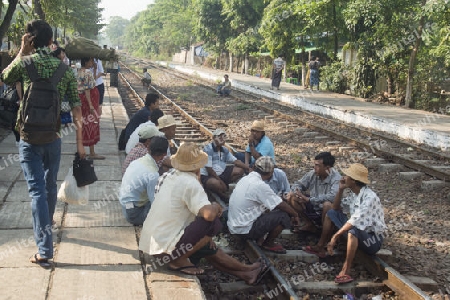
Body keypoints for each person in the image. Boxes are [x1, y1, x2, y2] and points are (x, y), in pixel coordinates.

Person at [0, 19, 85, 267]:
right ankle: (45, 240)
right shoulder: (64, 70)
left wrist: (21, 52)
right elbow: (77, 109)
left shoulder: (26, 64)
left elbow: (4, 77)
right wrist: (80, 145)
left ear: (30, 40)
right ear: (51, 42)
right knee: (48, 188)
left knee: (37, 190)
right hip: (54, 137)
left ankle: (44, 248)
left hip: (27, 137)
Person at [139, 142, 268, 284]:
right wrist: (215, 205)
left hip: (154, 245)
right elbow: (209, 215)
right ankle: (178, 261)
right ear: (197, 165)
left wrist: (204, 239)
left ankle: (246, 273)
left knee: (205, 245)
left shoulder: (171, 175)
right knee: (213, 223)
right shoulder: (190, 182)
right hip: (167, 249)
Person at [303, 163, 387, 284]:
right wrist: (340, 190)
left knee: (353, 230)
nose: (343, 177)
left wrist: (335, 236)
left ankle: (345, 271)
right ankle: (320, 246)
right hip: (360, 232)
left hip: (372, 240)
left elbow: (354, 221)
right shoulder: (355, 194)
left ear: (353, 180)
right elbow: (335, 207)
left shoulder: (370, 198)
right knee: (331, 212)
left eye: (347, 176)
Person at [227, 157, 300, 254]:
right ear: (271, 172)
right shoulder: (260, 185)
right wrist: (295, 214)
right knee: (283, 215)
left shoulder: (245, 179)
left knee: (265, 208)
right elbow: (280, 204)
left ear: (254, 167)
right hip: (244, 230)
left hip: (233, 226)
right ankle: (268, 243)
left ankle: (259, 237)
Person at [287, 152, 341, 233]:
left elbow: (332, 196)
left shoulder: (336, 178)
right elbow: (298, 184)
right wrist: (298, 194)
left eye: (318, 165)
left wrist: (309, 200)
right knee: (292, 196)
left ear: (327, 168)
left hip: (326, 210)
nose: (314, 167)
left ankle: (325, 233)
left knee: (327, 205)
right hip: (314, 205)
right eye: (314, 165)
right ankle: (309, 224)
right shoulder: (312, 174)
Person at [120, 136, 168, 225]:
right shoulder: (153, 174)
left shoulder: (137, 162)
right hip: (134, 214)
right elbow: (155, 202)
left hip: (125, 206)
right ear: (164, 155)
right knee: (166, 202)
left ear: (148, 148)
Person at [200, 129, 249, 200]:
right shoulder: (208, 149)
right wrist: (220, 181)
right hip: (208, 175)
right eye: (219, 137)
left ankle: (223, 187)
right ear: (214, 138)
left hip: (220, 173)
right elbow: (209, 169)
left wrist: (248, 168)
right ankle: (222, 194)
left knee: (240, 170)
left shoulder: (224, 150)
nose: (222, 139)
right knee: (215, 183)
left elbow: (236, 161)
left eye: (223, 137)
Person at [77, 57, 103, 160]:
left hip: (85, 102)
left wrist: (95, 70)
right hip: (88, 103)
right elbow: (87, 89)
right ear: (86, 61)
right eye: (91, 61)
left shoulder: (82, 71)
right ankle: (92, 153)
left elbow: (92, 82)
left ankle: (82, 150)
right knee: (90, 125)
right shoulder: (87, 72)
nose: (92, 62)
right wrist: (91, 105)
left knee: (84, 125)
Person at [51, 47, 72, 128]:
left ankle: (62, 122)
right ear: (58, 55)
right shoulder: (60, 65)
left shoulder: (62, 64)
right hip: (60, 88)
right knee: (62, 105)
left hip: (59, 89)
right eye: (62, 53)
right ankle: (61, 122)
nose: (64, 55)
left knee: (63, 105)